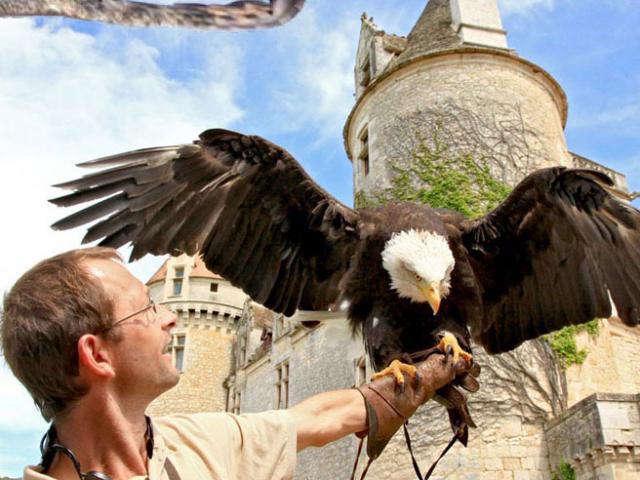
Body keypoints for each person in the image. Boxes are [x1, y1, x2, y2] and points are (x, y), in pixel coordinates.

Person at [1, 247, 471, 480]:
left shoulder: (199, 442)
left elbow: (322, 416)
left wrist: (427, 373)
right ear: (97, 354)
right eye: (147, 307)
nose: (168, 318)